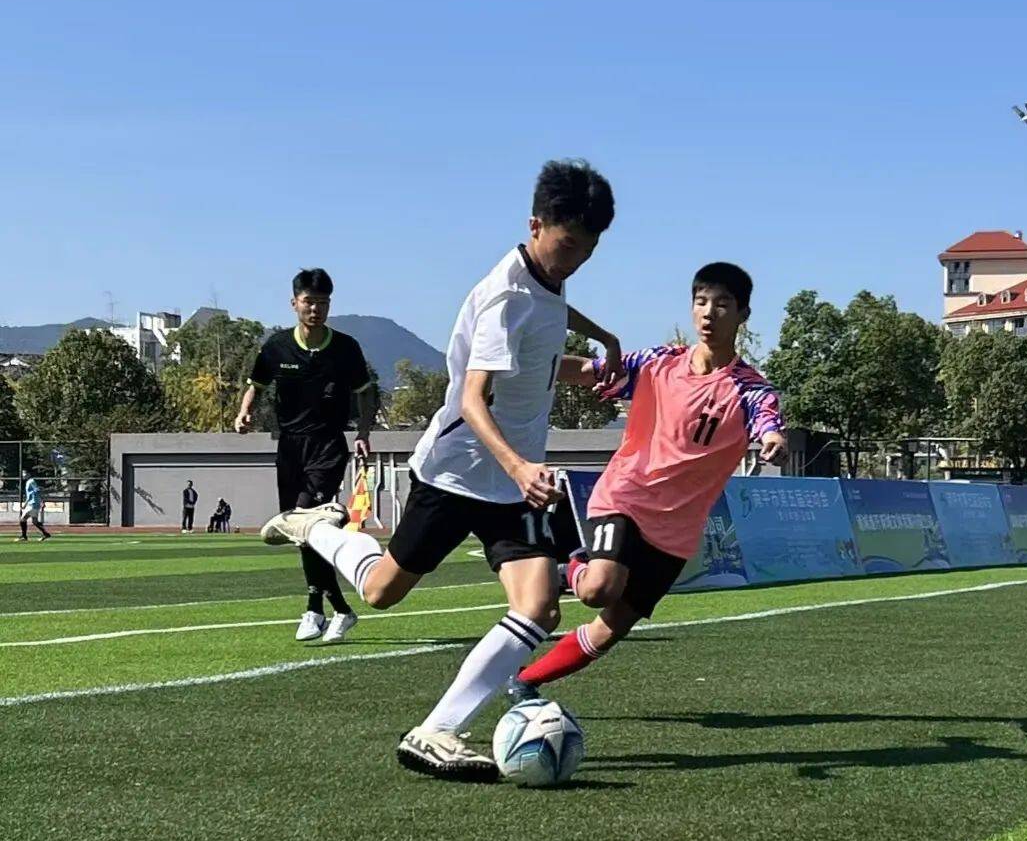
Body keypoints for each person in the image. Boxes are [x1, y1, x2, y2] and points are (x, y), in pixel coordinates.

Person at [261, 160, 619, 778]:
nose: (575, 262)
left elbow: (543, 336)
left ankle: (436, 731)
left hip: (510, 482)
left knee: (539, 608)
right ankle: (316, 526)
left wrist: (600, 346)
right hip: (459, 472)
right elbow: (475, 400)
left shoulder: (545, 277)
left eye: (587, 251)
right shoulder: (505, 299)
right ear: (535, 226)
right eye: (567, 247)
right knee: (381, 593)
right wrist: (520, 467)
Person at [511, 262, 787, 698]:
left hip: (676, 532)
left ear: (743, 314)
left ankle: (524, 682)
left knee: (611, 628)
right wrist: (513, 365)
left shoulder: (749, 388)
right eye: (701, 302)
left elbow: (768, 421)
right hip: (626, 496)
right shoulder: (658, 362)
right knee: (599, 589)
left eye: (722, 304)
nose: (709, 313)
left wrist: (773, 438)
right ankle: (570, 566)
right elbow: (589, 371)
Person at [235, 268, 376, 643]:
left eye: (323, 303)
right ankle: (337, 610)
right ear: (294, 303)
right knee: (302, 532)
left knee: (307, 520)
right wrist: (244, 411)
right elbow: (256, 385)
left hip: (327, 446)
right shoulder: (277, 347)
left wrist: (363, 433)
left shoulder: (345, 348)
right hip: (289, 448)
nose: (316, 309)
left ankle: (316, 608)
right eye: (309, 302)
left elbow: (366, 392)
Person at [19, 476, 50, 541]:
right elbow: (30, 496)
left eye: (25, 473)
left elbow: (37, 491)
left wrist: (42, 501)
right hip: (34, 504)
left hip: (33, 504)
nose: (23, 475)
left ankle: (24, 536)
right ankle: (46, 534)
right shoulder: (29, 482)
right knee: (34, 521)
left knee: (23, 519)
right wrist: (25, 505)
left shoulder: (31, 481)